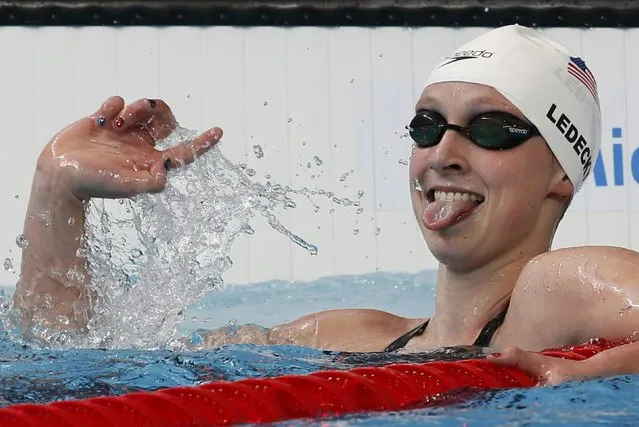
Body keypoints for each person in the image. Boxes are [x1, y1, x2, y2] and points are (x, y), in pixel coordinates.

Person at [12, 24, 639, 385]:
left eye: (491, 130)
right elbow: (76, 360)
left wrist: (586, 373)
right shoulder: (345, 335)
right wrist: (57, 193)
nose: (443, 152)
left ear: (561, 174)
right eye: (427, 126)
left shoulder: (554, 289)